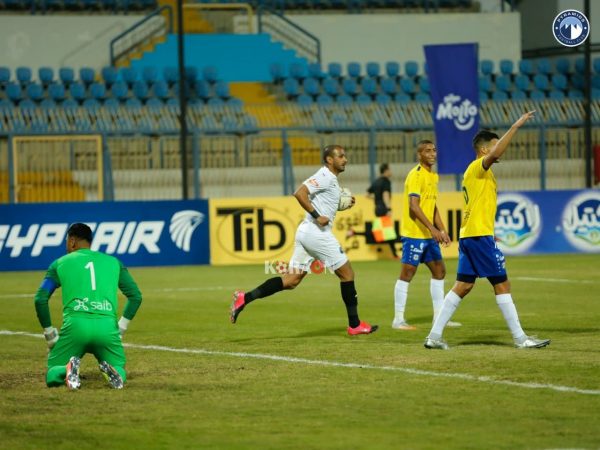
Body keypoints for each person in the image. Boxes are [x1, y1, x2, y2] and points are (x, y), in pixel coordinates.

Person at [425, 111, 550, 350]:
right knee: (502, 284)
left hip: (473, 234)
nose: (498, 149)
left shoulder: (480, 173)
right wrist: (515, 125)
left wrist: (488, 231)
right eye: (493, 146)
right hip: (477, 236)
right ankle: (520, 338)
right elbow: (497, 152)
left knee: (463, 285)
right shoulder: (478, 168)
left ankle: (434, 336)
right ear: (484, 150)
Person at [230, 145, 378, 336]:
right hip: (317, 233)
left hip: (306, 232)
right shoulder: (324, 175)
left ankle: (244, 298)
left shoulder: (331, 180)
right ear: (329, 160)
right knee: (347, 274)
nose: (345, 159)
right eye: (340, 156)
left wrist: (340, 206)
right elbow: (299, 193)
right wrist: (317, 215)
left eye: (345, 155)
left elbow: (323, 203)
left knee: (291, 281)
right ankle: (355, 324)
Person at [34, 223, 142, 389]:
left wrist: (50, 335)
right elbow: (135, 296)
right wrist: (120, 329)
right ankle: (115, 372)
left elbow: (40, 299)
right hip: (107, 327)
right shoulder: (114, 262)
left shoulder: (59, 264)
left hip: (76, 327)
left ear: (72, 241)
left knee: (52, 374)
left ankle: (66, 369)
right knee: (119, 367)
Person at [392, 140, 461, 330]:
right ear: (419, 155)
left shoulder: (434, 176)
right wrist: (432, 229)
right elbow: (414, 206)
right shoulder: (416, 176)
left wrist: (442, 230)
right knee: (407, 273)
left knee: (439, 271)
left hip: (428, 234)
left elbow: (432, 206)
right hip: (414, 234)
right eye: (427, 151)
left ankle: (439, 318)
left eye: (434, 150)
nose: (432, 154)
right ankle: (398, 320)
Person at [366, 163, 399, 259]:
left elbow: (367, 194)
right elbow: (386, 195)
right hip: (383, 208)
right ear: (386, 171)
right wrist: (388, 208)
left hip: (377, 208)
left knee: (381, 231)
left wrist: (376, 198)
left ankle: (394, 254)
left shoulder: (376, 182)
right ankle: (395, 255)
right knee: (389, 232)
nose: (391, 172)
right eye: (390, 170)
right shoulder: (386, 181)